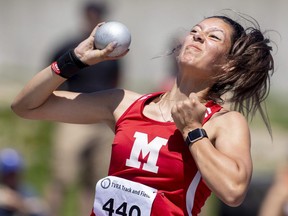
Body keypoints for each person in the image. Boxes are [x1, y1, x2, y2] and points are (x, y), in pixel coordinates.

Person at [11, 12, 274, 215]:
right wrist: (75, 60)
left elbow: (234, 192)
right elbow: (26, 106)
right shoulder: (124, 103)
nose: (197, 36)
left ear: (228, 66)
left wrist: (193, 131)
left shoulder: (222, 122)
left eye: (213, 37)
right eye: (195, 30)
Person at [44, 1, 122, 215]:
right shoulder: (69, 46)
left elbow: (116, 82)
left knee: (96, 181)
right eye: (91, 14)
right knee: (62, 175)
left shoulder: (112, 52)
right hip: (73, 116)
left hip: (101, 121)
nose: (94, 19)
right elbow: (48, 76)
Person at [0, 148, 48, 216]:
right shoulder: (1, 193)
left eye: (14, 174)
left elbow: (41, 208)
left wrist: (18, 203)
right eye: (8, 175)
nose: (11, 179)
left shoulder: (27, 192)